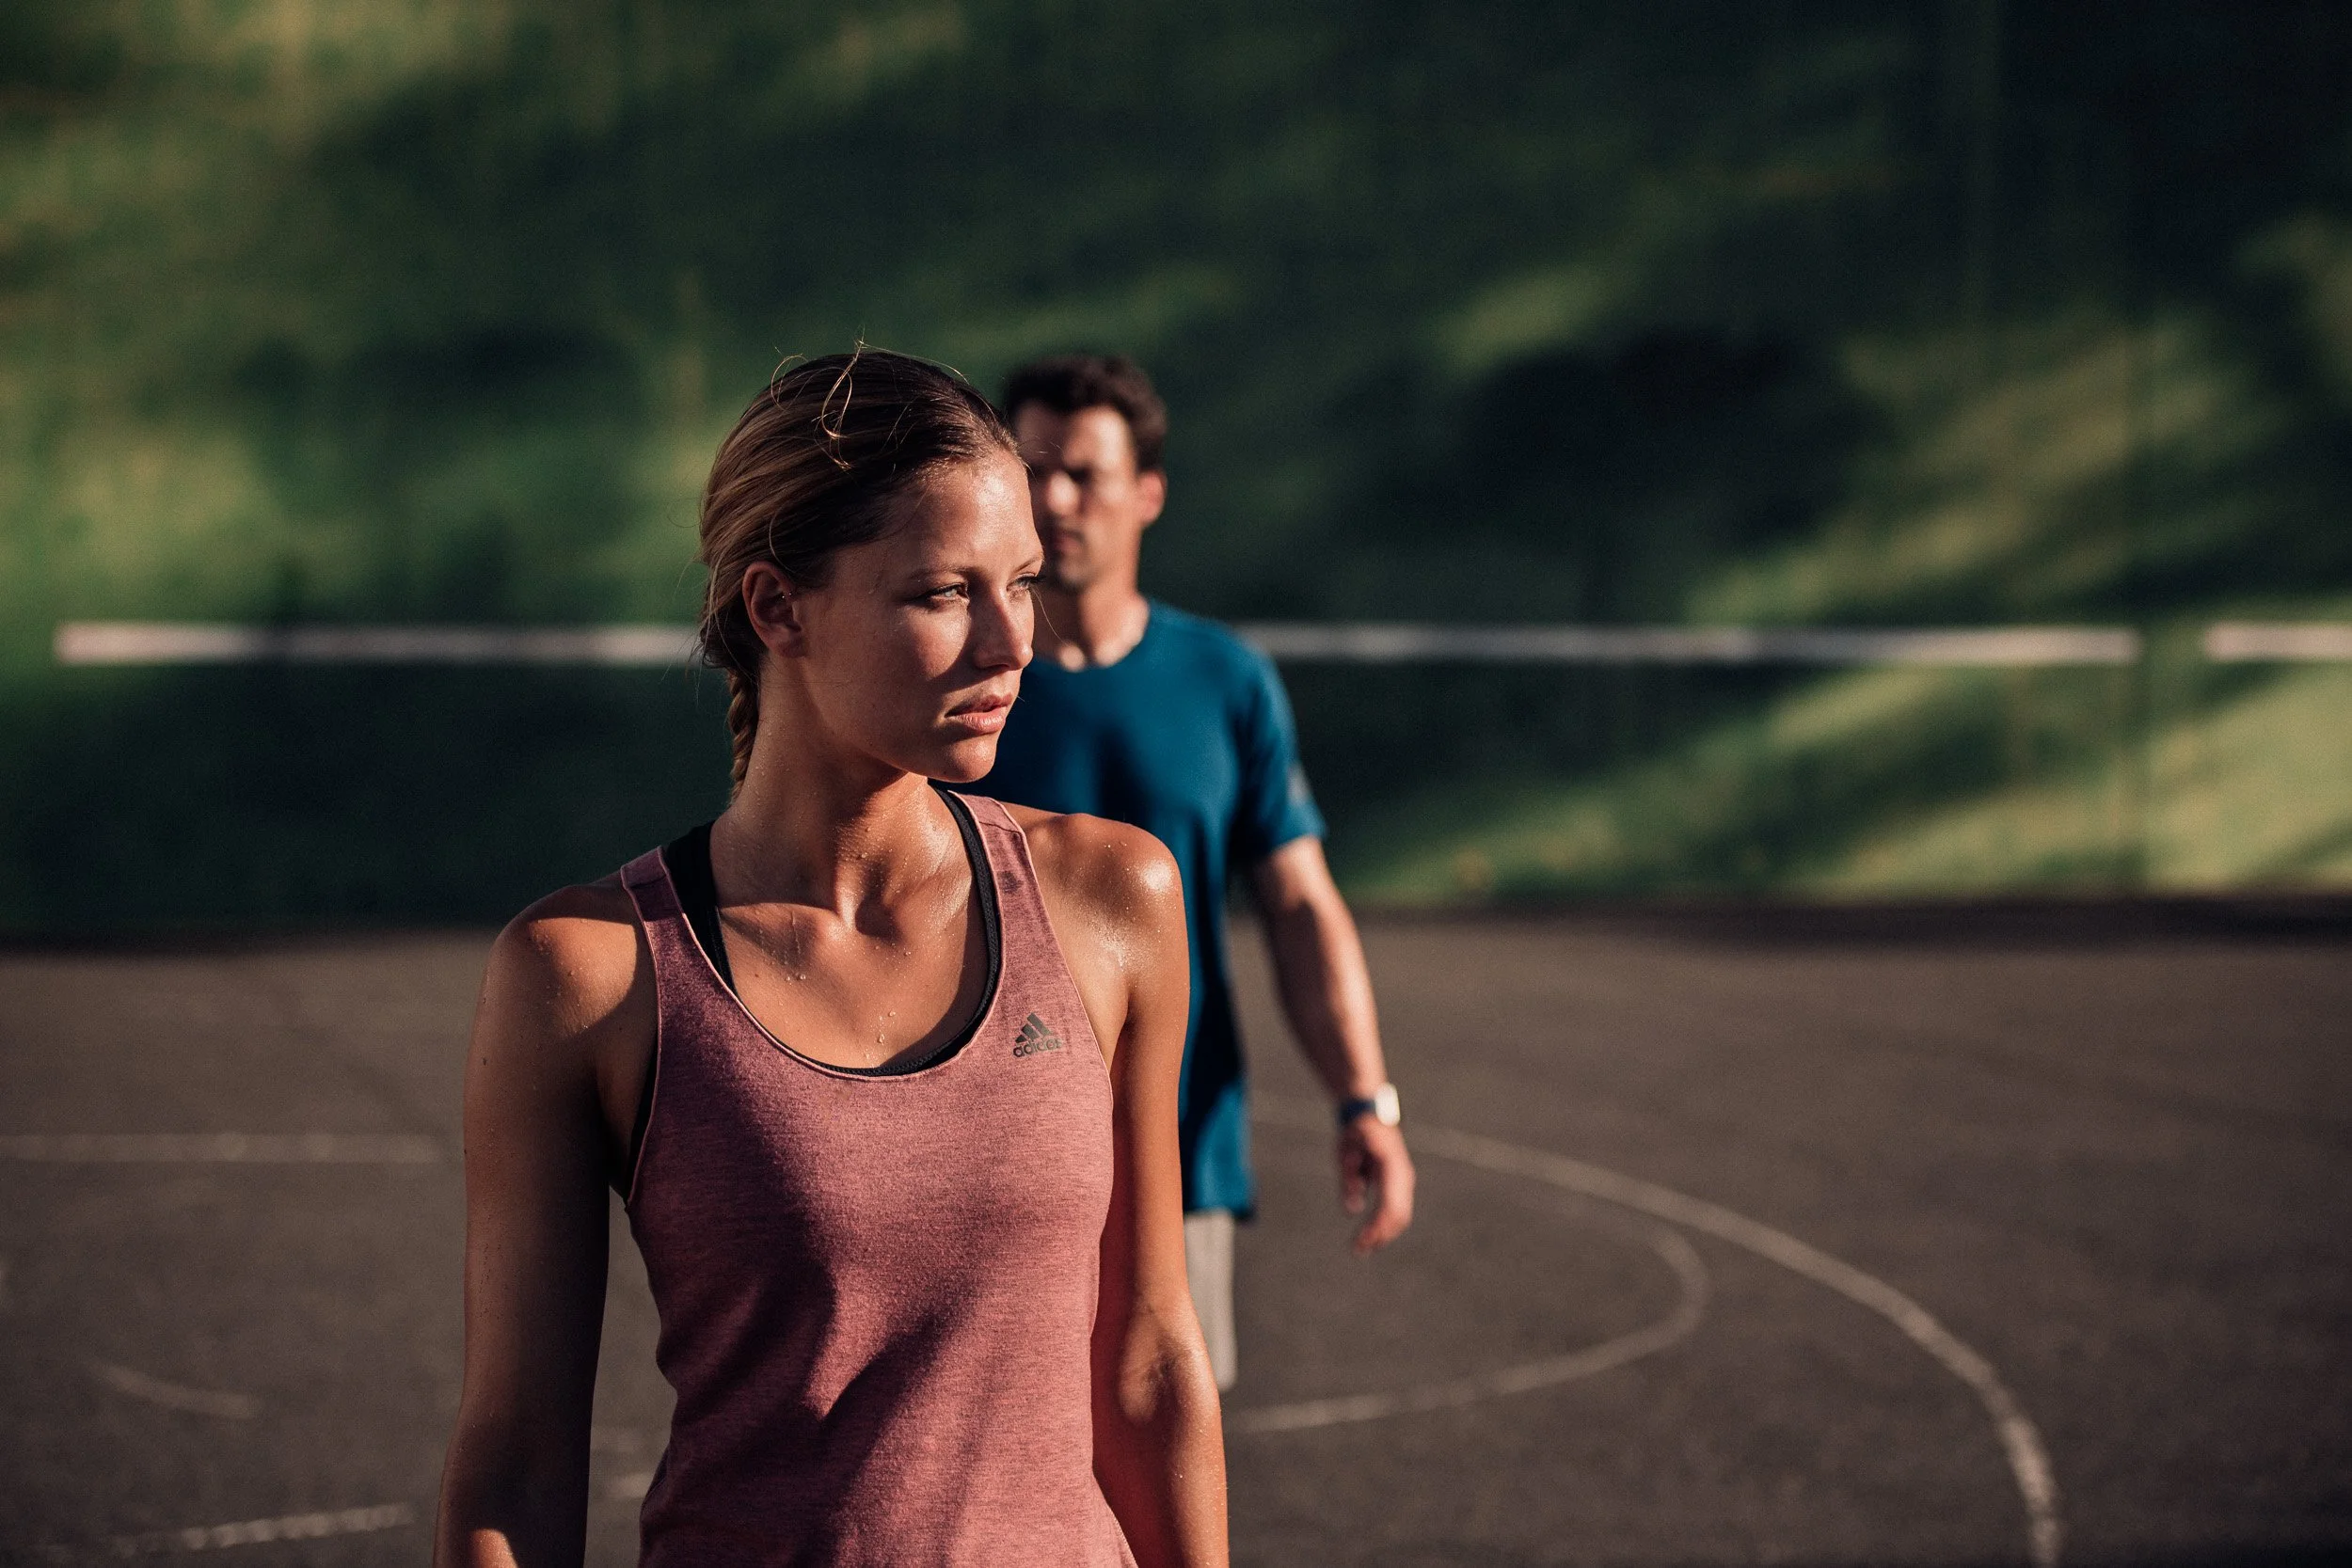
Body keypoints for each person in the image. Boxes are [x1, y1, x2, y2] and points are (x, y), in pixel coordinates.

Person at [435, 351, 1227, 1568]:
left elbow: (1152, 1358)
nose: (1014, 637)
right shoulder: (589, 975)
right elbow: (520, 1462)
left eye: (1020, 581)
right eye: (944, 592)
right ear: (776, 606)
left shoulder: (1114, 899)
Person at [981, 354, 1415, 1391]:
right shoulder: (961, 678)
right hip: (982, 1159)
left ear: (1148, 493)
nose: (1054, 497)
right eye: (1034, 468)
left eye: (1084, 472)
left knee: (1161, 1480)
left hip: (1177, 1158)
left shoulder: (1225, 680)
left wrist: (1365, 1099)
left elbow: (1301, 902)